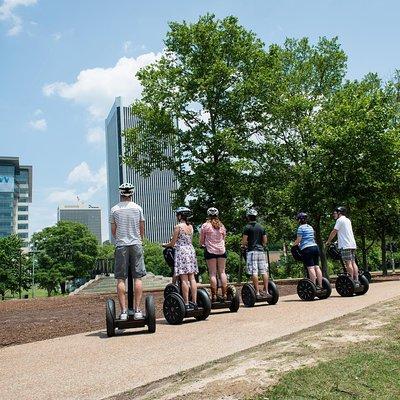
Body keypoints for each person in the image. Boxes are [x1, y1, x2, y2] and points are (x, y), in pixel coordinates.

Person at [110, 183, 146, 320]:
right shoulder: (138, 208)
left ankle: (124, 312)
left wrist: (120, 238)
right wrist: (139, 239)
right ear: (132, 193)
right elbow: (141, 227)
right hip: (136, 244)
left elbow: (114, 231)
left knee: (121, 278)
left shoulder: (114, 210)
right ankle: (137, 310)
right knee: (137, 277)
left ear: (120, 193)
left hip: (121, 245)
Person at [163, 207, 198, 310]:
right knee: (192, 278)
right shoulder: (190, 227)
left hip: (181, 251)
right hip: (190, 250)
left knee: (184, 279)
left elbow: (173, 243)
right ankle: (194, 302)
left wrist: (165, 245)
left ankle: (186, 303)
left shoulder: (178, 227)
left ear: (180, 216)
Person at [326, 206, 360, 285]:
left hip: (345, 245)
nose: (333, 215)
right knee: (353, 262)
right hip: (352, 244)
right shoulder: (348, 220)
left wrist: (328, 241)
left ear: (339, 213)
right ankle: (356, 280)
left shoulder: (339, 220)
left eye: (335, 213)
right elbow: (345, 233)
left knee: (348, 263)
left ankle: (351, 280)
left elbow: (334, 231)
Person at [200, 207, 227, 303]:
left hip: (210, 251)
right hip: (222, 251)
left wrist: (202, 245)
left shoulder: (205, 226)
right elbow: (224, 238)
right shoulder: (222, 226)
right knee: (222, 272)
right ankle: (224, 295)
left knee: (212, 274)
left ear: (208, 215)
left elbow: (202, 240)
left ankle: (214, 296)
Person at [241, 208, 270, 299]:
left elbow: (244, 241)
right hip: (261, 251)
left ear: (248, 217)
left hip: (251, 251)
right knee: (264, 271)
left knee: (254, 272)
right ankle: (266, 291)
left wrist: (243, 245)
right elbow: (265, 241)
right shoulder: (261, 227)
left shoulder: (247, 227)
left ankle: (257, 292)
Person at [293, 212, 323, 288]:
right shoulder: (310, 227)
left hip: (307, 249)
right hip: (315, 247)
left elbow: (298, 240)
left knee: (310, 267)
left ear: (300, 220)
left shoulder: (300, 228)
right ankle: (320, 285)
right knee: (317, 266)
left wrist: (293, 246)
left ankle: (313, 286)